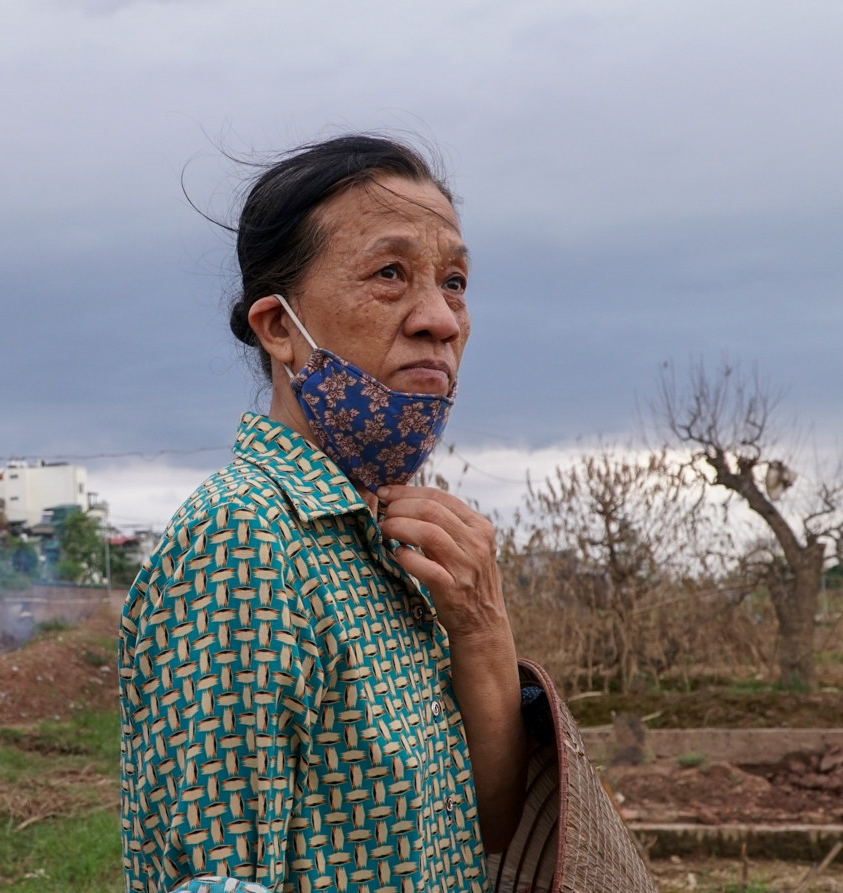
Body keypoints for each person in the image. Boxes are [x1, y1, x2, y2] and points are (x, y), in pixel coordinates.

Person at [118, 135, 654, 893]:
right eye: (390, 274)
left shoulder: (390, 542)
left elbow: (487, 830)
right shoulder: (244, 540)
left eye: (456, 281)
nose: (440, 318)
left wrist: (481, 626)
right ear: (278, 328)